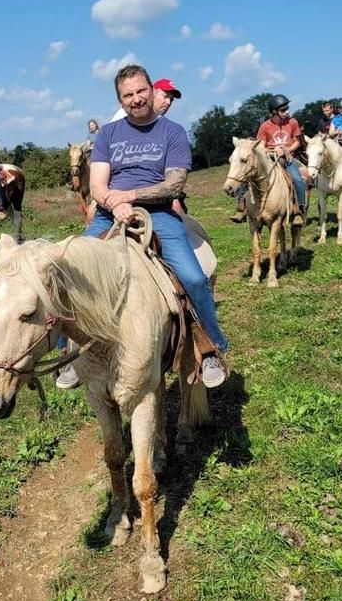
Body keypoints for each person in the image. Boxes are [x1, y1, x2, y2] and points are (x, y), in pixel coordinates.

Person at [57, 64, 227, 391]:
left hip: (159, 213)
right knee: (69, 269)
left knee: (192, 277)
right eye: (128, 95)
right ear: (120, 100)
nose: (135, 99)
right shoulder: (108, 133)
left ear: (151, 90)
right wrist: (116, 204)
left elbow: (175, 183)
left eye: (140, 91)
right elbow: (97, 185)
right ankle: (68, 351)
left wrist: (132, 196)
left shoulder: (172, 132)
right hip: (110, 213)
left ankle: (211, 347)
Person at [255, 95, 307, 224]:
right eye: (283, 110)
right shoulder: (265, 126)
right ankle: (242, 207)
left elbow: (297, 142)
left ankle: (298, 210)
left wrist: (287, 150)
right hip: (269, 159)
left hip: (287, 158)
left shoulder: (292, 122)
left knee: (298, 180)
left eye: (287, 108)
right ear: (274, 112)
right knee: (248, 174)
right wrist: (273, 151)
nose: (287, 112)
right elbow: (260, 147)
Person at [109, 76, 182, 122]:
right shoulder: (129, 113)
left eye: (171, 99)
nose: (168, 102)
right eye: (165, 96)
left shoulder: (165, 125)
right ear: (152, 93)